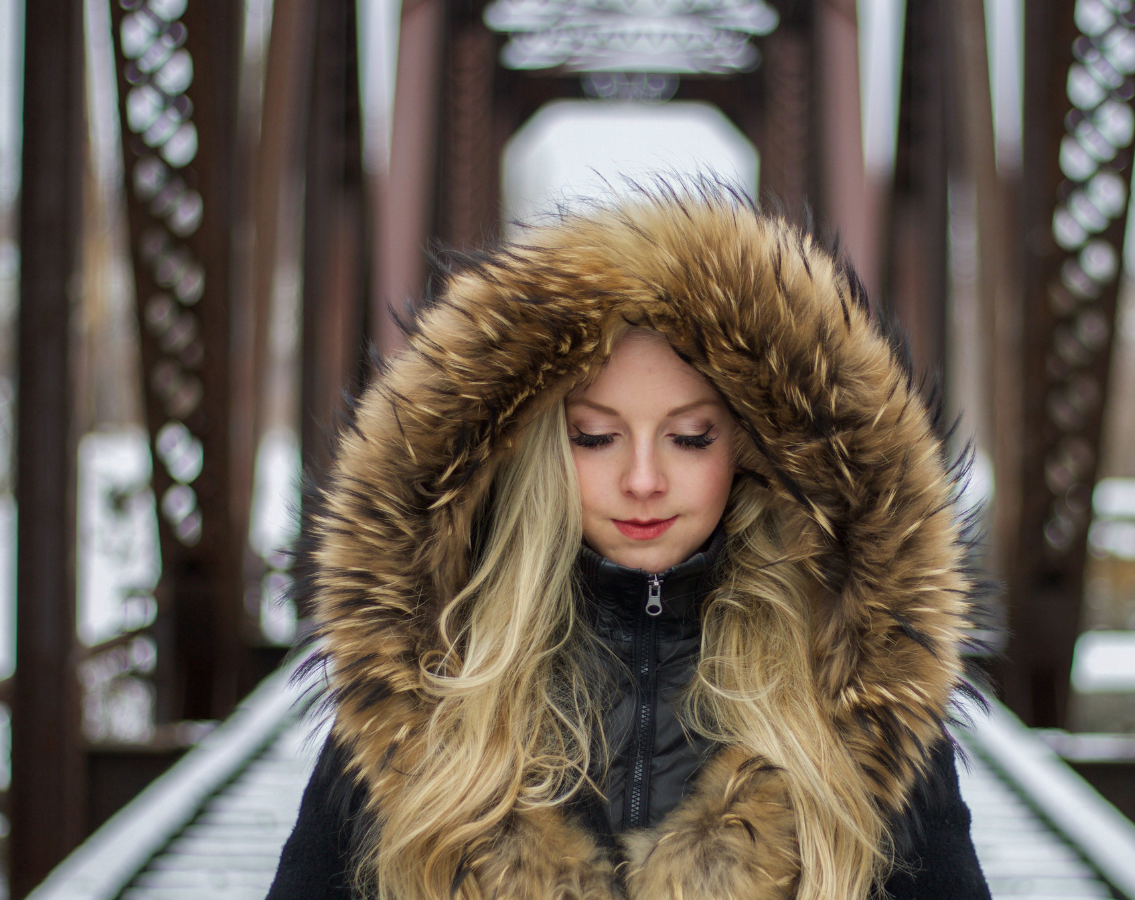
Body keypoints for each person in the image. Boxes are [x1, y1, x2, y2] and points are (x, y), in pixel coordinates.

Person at [267, 186, 991, 900]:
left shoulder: (859, 704)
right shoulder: (419, 693)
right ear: (538, 449)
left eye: (689, 436)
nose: (643, 479)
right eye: (595, 437)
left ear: (746, 446)